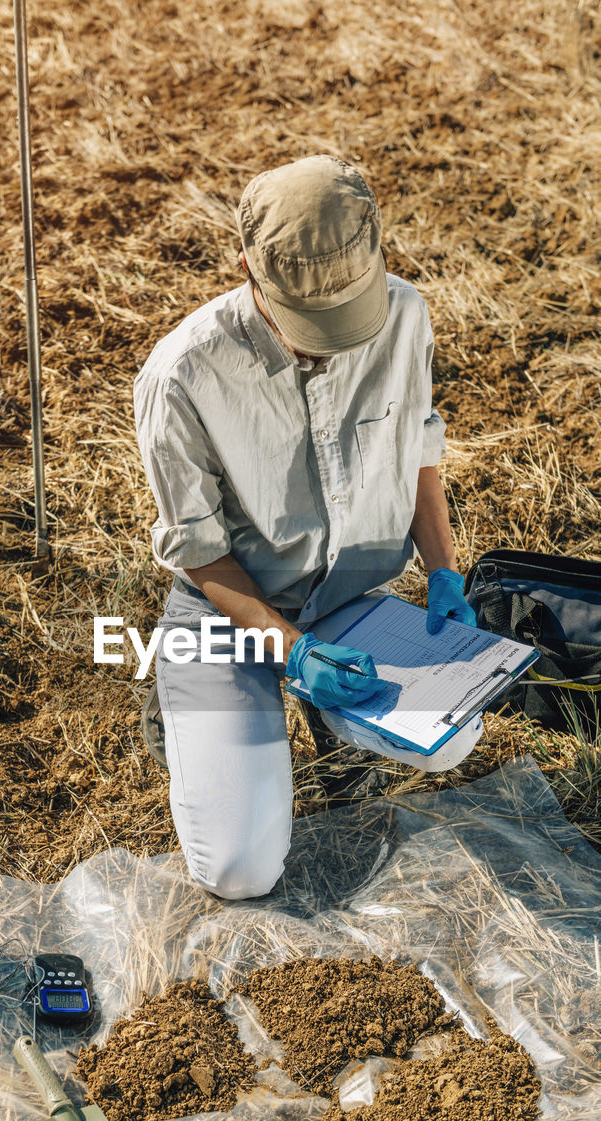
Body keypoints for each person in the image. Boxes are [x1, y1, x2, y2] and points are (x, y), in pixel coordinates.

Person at [134, 154, 475, 900]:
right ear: (247, 269)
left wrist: (443, 570)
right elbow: (199, 550)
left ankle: (320, 703)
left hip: (352, 593)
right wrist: (291, 650)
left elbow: (416, 444)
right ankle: (192, 698)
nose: (331, 342)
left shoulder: (404, 312)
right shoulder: (181, 377)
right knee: (239, 870)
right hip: (231, 612)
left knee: (453, 744)